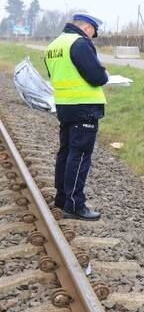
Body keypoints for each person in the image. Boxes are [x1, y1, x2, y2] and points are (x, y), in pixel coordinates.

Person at [44, 14, 108, 221]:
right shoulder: (79, 43)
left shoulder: (54, 45)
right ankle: (74, 204)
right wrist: (104, 74)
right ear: (88, 28)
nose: (91, 37)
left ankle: (62, 198)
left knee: (66, 152)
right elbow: (98, 77)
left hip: (64, 106)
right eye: (92, 33)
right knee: (79, 155)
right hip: (84, 107)